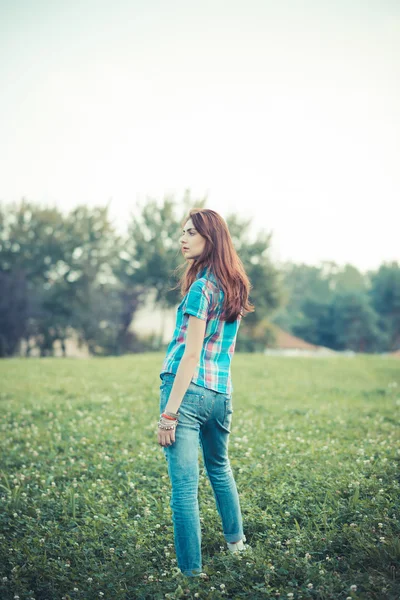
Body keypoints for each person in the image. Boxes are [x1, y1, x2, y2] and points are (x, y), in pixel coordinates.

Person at [157, 208, 254, 577]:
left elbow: (191, 354)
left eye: (191, 233)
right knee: (219, 468)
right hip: (221, 394)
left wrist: (169, 413)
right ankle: (237, 545)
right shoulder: (235, 286)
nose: (183, 239)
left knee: (184, 489)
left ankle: (191, 574)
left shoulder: (201, 289)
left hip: (188, 392)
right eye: (182, 232)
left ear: (210, 239)